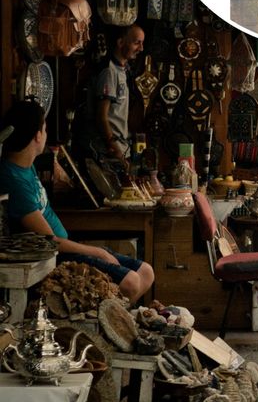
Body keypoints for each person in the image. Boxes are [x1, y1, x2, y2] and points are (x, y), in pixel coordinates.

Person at [0, 101, 155, 302]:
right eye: (45, 129)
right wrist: (97, 251)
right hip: (55, 257)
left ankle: (110, 317)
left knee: (146, 272)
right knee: (131, 282)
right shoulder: (14, 180)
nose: (45, 135)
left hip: (67, 247)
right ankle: (104, 319)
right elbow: (49, 242)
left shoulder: (25, 165)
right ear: (37, 136)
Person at [90, 24, 145, 175]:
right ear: (121, 43)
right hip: (109, 154)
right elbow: (101, 116)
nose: (141, 48)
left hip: (121, 149)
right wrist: (115, 149)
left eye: (142, 43)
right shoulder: (109, 72)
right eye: (136, 43)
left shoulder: (123, 70)